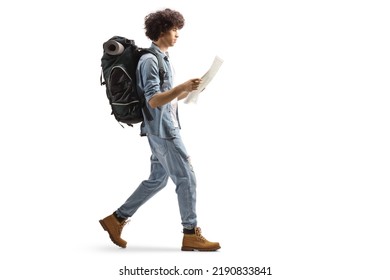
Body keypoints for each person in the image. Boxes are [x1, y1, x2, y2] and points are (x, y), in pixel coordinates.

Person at [99, 8, 220, 251]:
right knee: (186, 177)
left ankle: (116, 219)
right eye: (175, 29)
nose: (178, 34)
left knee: (157, 180)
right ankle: (190, 233)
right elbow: (153, 100)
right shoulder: (149, 60)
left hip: (164, 127)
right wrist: (182, 86)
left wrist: (190, 90)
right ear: (162, 30)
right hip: (163, 131)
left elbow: (165, 97)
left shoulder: (162, 58)